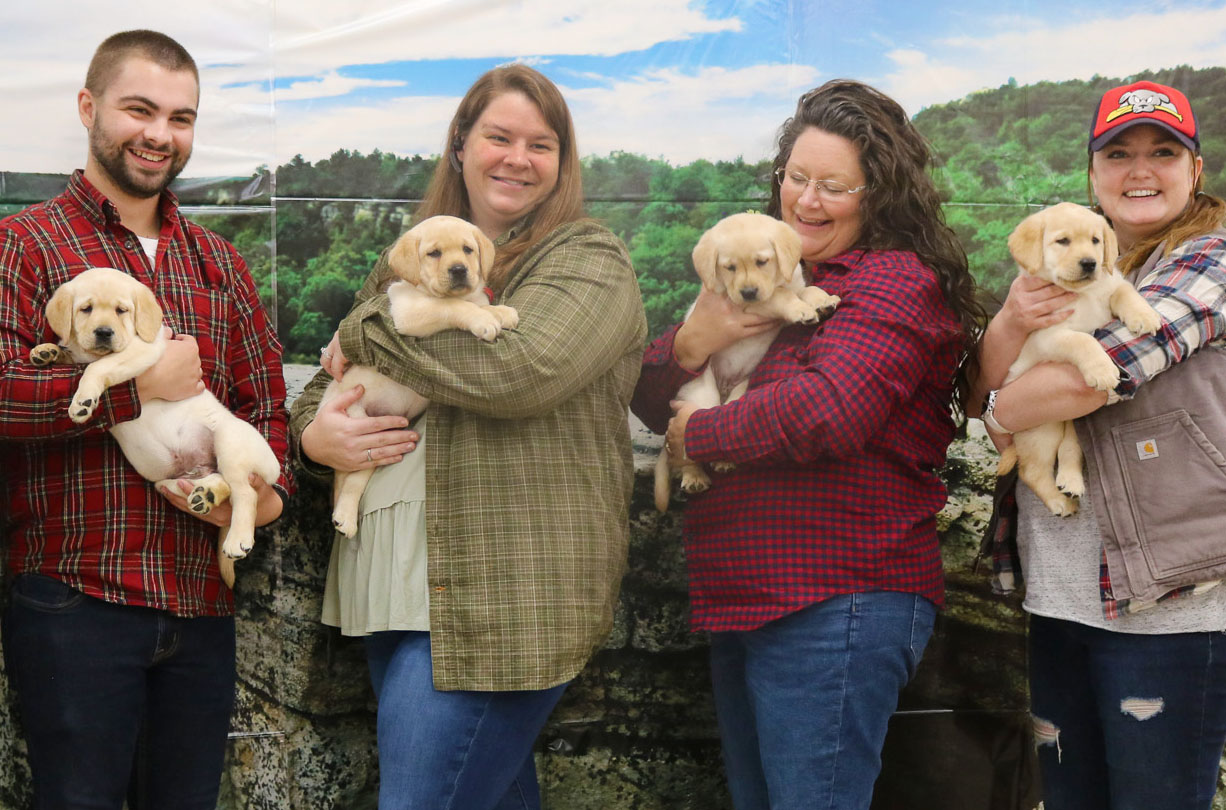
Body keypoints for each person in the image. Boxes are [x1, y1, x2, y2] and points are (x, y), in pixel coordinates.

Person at [288, 64, 646, 809]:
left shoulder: (586, 258)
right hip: (391, 583)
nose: (518, 157)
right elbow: (324, 388)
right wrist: (315, 440)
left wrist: (365, 325)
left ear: (561, 162)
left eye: (541, 144)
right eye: (499, 137)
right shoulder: (415, 250)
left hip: (499, 593)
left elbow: (519, 371)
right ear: (460, 145)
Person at [631, 79, 985, 810]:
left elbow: (829, 410)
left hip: (839, 597)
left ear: (879, 194)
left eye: (834, 186)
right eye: (796, 178)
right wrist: (698, 340)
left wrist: (694, 432)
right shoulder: (757, 269)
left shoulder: (894, 281)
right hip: (747, 595)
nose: (807, 201)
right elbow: (641, 391)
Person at [0, 30, 293, 810]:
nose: (160, 134)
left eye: (181, 118)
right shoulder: (23, 246)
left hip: (200, 603)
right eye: (139, 109)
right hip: (75, 598)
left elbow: (267, 405)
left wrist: (268, 500)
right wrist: (140, 385)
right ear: (90, 108)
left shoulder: (220, 264)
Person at [971, 80, 1226, 809]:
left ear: (1195, 169)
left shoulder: (1210, 261)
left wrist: (993, 412)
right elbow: (970, 379)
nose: (1139, 170)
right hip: (1061, 592)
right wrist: (1009, 331)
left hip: (1168, 602)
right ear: (1092, 173)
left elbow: (1100, 372)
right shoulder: (1083, 260)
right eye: (1119, 154)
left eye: (1163, 152)